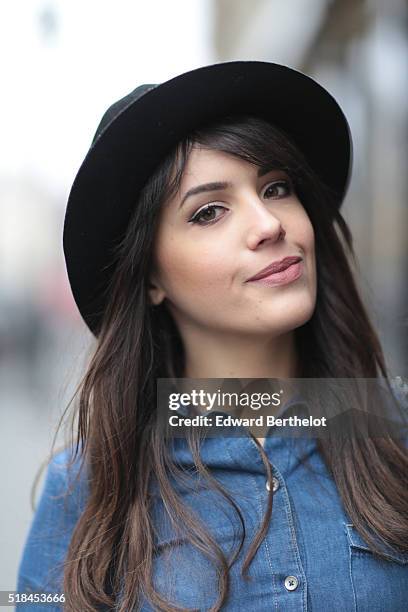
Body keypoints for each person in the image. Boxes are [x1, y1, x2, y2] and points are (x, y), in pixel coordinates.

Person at [17, 61, 408, 612]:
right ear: (151, 277)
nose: (269, 224)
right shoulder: (85, 490)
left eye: (276, 187)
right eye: (209, 212)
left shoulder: (394, 436)